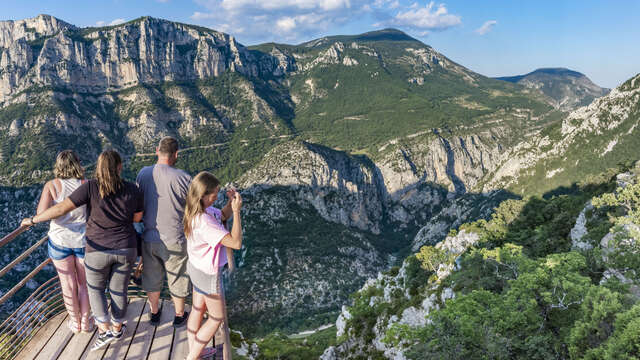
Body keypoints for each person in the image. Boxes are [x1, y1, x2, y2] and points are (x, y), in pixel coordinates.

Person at [23, 149, 144, 351]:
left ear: (98, 167)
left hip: (95, 248)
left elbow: (61, 209)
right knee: (118, 289)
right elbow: (138, 218)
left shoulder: (91, 188)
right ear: (120, 167)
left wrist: (33, 220)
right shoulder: (132, 188)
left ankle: (100, 329)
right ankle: (116, 327)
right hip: (124, 247)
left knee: (91, 288)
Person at [183, 172, 242, 360]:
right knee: (216, 319)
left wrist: (229, 204)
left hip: (196, 268)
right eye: (214, 195)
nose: (216, 198)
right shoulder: (204, 221)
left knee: (197, 309)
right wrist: (237, 212)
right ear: (203, 195)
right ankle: (192, 357)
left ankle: (196, 351)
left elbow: (222, 214)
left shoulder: (200, 210)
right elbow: (235, 242)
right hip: (208, 274)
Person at [136, 136, 192, 327]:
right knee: (177, 277)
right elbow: (193, 209)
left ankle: (154, 313)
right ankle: (178, 315)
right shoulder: (184, 178)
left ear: (156, 151)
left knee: (152, 277)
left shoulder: (143, 174)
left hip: (149, 236)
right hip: (175, 238)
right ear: (176, 154)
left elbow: (138, 203)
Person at [35, 150, 92, 334]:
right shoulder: (86, 184)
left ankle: (74, 323)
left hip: (60, 241)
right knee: (85, 284)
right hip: (83, 241)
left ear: (59, 166)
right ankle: (86, 322)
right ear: (78, 163)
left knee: (67, 283)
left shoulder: (51, 186)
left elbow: (41, 214)